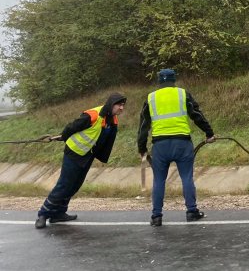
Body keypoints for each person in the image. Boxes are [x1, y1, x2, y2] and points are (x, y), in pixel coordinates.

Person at [35, 93, 127, 229]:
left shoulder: (112, 120)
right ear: (111, 103)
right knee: (64, 184)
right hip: (74, 153)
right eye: (119, 105)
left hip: (86, 155)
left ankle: (59, 213)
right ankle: (43, 214)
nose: (121, 108)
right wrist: (64, 137)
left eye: (123, 105)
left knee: (75, 185)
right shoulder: (93, 115)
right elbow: (71, 127)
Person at [137, 68, 215, 226]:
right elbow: (196, 115)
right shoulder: (182, 94)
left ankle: (156, 216)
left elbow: (143, 126)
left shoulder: (151, 98)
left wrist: (142, 148)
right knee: (186, 177)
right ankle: (192, 211)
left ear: (159, 82)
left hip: (160, 145)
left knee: (159, 180)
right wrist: (209, 133)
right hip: (182, 143)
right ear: (174, 80)